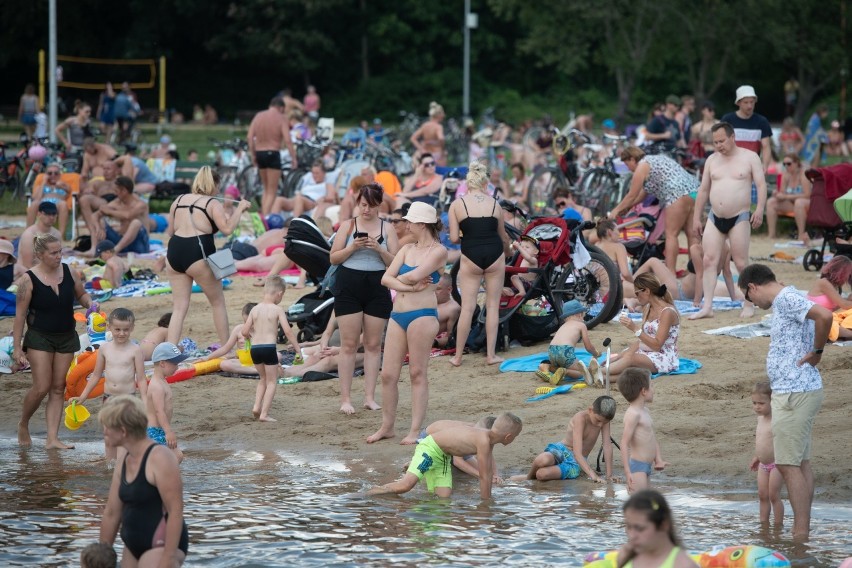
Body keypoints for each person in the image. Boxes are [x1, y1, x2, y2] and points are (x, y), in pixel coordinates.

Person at [737, 263, 832, 540]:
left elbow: (825, 315)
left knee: (788, 464)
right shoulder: (788, 297)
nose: (751, 302)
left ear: (752, 287)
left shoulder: (786, 298)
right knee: (800, 463)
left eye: (748, 297)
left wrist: (817, 352)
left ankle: (800, 535)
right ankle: (802, 531)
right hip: (795, 390)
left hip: (795, 391)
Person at [366, 202, 447, 445]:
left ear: (422, 224)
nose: (406, 224)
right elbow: (385, 279)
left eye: (410, 220)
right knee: (388, 374)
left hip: (422, 314)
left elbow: (411, 275)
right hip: (398, 315)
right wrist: (407, 285)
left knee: (416, 372)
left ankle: (414, 430)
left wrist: (402, 281)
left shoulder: (438, 251)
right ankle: (387, 426)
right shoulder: (406, 247)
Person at [13, 233, 97, 449]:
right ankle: (23, 423)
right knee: (42, 387)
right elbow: (20, 317)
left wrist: (91, 305)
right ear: (40, 254)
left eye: (60, 251)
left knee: (58, 387)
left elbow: (81, 295)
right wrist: (17, 349)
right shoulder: (27, 280)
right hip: (39, 336)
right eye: (54, 253)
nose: (59, 256)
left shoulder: (70, 271)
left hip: (66, 336)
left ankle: (52, 439)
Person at [328, 183, 399, 414]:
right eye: (363, 204)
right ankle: (345, 399)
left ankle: (369, 397)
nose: (366, 210)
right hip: (349, 284)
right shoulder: (348, 226)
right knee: (348, 344)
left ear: (379, 205)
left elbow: (395, 262)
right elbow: (333, 258)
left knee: (373, 344)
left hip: (377, 285)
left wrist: (379, 249)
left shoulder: (387, 229)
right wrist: (353, 248)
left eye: (370, 205)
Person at [165, 166, 251, 345]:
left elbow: (170, 231)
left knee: (179, 308)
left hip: (174, 252)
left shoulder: (178, 200)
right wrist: (240, 208)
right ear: (214, 184)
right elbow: (227, 230)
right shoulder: (212, 203)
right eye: (218, 186)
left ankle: (169, 350)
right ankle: (226, 347)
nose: (219, 191)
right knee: (217, 302)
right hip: (197, 252)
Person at [98, 395, 188, 566]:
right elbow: (111, 512)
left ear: (123, 431)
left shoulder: (161, 458)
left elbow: (175, 511)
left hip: (162, 544)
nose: (104, 431)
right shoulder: (123, 458)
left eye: (108, 426)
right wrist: (102, 553)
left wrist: (168, 559)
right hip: (132, 545)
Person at [690, 122, 767, 320]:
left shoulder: (750, 157)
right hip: (715, 216)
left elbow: (760, 185)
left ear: (732, 137)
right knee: (709, 260)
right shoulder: (711, 160)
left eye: (722, 141)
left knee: (741, 263)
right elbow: (703, 190)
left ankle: (748, 303)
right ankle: (707, 306)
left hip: (739, 216)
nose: (718, 145)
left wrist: (759, 209)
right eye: (715, 142)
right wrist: (696, 217)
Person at [368, 412, 522, 499]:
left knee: (443, 498)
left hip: (443, 456)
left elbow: (488, 470)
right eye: (515, 436)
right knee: (406, 486)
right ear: (508, 437)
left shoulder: (488, 440)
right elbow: (484, 476)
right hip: (430, 449)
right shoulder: (483, 440)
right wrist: (486, 505)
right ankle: (366, 494)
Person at [449, 161, 511, 367]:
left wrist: (465, 233)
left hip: (471, 253)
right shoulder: (495, 204)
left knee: (467, 307)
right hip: (494, 253)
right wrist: (509, 252)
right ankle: (491, 355)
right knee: (493, 306)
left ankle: (458, 357)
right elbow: (503, 238)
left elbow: (454, 239)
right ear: (485, 184)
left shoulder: (458, 204)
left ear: (467, 184)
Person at [70, 307, 147, 459]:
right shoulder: (104, 349)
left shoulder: (135, 350)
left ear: (132, 328)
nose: (122, 333)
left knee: (126, 436)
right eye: (117, 329)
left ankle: (125, 466)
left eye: (126, 329)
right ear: (109, 327)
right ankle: (110, 466)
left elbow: (142, 379)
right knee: (109, 436)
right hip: (108, 399)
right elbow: (96, 375)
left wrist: (145, 402)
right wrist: (83, 397)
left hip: (128, 399)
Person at [610, 146, 697, 272]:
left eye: (626, 164)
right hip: (694, 191)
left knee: (671, 235)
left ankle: (670, 274)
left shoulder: (642, 166)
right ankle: (693, 271)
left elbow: (631, 195)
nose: (628, 168)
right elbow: (642, 195)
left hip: (676, 194)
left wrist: (615, 210)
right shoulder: (654, 161)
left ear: (632, 159)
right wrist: (627, 207)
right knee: (691, 233)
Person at [512, 396, 616, 483]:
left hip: (576, 462)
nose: (600, 425)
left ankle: (540, 475)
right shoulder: (581, 418)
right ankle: (529, 477)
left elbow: (607, 446)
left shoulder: (604, 421)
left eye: (604, 422)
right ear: (590, 410)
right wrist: (593, 475)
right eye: (598, 420)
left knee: (541, 474)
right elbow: (577, 452)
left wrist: (609, 475)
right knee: (542, 460)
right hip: (562, 449)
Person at [242, 276, 302, 422]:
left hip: (255, 348)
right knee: (272, 381)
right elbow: (288, 331)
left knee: (262, 378)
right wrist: (298, 349)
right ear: (279, 294)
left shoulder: (254, 309)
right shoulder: (277, 309)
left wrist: (251, 337)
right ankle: (264, 414)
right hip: (269, 348)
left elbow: (244, 331)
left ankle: (256, 406)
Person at [610, 273, 681, 380]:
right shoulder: (648, 308)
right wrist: (620, 356)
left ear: (647, 291)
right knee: (626, 360)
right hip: (648, 351)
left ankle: (600, 372)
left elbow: (657, 345)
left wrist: (634, 328)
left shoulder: (667, 312)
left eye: (637, 293)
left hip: (664, 356)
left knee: (630, 359)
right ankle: (603, 377)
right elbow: (643, 341)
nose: (635, 296)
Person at [616, 489, 699, 568]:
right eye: (628, 527)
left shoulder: (683, 565)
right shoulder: (626, 556)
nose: (632, 536)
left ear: (664, 525)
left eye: (640, 528)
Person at [617, 367, 669, 493]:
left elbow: (651, 437)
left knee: (646, 503)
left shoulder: (645, 411)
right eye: (651, 386)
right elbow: (624, 443)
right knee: (639, 505)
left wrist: (658, 459)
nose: (653, 390)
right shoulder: (633, 414)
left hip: (646, 466)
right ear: (644, 391)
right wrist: (628, 471)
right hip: (637, 468)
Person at [247, 96, 298, 216]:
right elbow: (288, 139)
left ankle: (263, 216)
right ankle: (265, 218)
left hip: (260, 153)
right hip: (273, 153)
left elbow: (250, 137)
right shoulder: (281, 118)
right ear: (281, 108)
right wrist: (293, 158)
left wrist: (253, 155)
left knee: (266, 189)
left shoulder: (259, 116)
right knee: (272, 191)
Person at [535, 300, 598, 385]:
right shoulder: (581, 325)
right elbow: (588, 347)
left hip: (551, 351)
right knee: (583, 372)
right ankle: (565, 371)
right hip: (565, 351)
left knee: (557, 366)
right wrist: (596, 353)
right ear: (579, 314)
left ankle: (547, 367)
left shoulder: (563, 326)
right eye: (583, 315)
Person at [87, 176, 150, 256]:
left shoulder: (140, 204)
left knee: (136, 223)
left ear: (124, 191)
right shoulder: (116, 202)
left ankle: (114, 251)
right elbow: (95, 215)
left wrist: (109, 211)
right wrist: (98, 227)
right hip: (122, 241)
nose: (115, 193)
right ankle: (94, 248)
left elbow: (128, 215)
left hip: (139, 244)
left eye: (116, 191)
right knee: (101, 222)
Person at [750, 381, 784, 527]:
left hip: (777, 463)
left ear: (772, 402)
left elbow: (780, 442)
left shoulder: (777, 420)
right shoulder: (760, 419)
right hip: (763, 464)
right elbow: (762, 440)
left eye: (761, 403)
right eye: (754, 403)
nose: (757, 406)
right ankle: (763, 525)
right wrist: (757, 457)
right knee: (762, 495)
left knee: (773, 495)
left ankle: (778, 526)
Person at [147, 342, 187, 462]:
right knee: (173, 458)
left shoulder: (162, 381)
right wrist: (168, 432)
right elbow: (159, 411)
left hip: (160, 430)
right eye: (174, 364)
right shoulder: (157, 386)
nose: (177, 367)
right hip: (155, 432)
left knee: (176, 457)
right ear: (162, 363)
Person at [720, 85, 773, 172]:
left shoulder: (762, 121)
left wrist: (765, 166)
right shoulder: (727, 120)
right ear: (738, 103)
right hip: (730, 166)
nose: (749, 106)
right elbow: (720, 143)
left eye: (752, 102)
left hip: (752, 166)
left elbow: (766, 146)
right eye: (746, 102)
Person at [766, 153, 812, 244]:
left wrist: (786, 196)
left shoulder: (804, 174)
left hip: (806, 204)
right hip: (792, 204)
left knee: (799, 203)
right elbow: (783, 192)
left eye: (789, 164)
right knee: (771, 202)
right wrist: (778, 194)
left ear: (796, 163)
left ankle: (801, 235)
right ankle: (771, 234)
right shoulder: (786, 175)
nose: (786, 166)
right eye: (784, 164)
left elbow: (807, 195)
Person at [805, 255, 852, 342]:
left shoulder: (834, 285)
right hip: (815, 320)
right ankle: (847, 334)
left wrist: (848, 301)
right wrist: (847, 302)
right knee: (830, 324)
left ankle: (845, 332)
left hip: (827, 317)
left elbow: (835, 307)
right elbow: (844, 305)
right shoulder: (823, 283)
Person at [27, 164, 71, 239]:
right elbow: (36, 199)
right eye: (50, 173)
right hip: (43, 205)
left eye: (56, 173)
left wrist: (61, 186)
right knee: (34, 203)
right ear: (46, 175)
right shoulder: (40, 186)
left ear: (59, 175)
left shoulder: (64, 185)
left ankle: (60, 236)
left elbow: (68, 193)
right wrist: (43, 182)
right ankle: (28, 234)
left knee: (63, 204)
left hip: (57, 206)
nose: (53, 175)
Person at [18, 201, 62, 269]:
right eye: (47, 214)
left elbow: (58, 260)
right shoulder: (29, 235)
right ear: (39, 214)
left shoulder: (57, 234)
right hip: (29, 272)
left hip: (49, 271)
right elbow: (27, 264)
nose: (51, 217)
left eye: (54, 214)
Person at [594, 219, 633, 286]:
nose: (619, 233)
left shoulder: (596, 245)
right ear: (610, 232)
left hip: (597, 287)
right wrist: (635, 284)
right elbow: (625, 273)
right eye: (617, 230)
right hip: (613, 287)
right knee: (652, 261)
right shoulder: (618, 247)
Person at [434, 274, 460, 348]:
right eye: (433, 288)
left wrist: (434, 342)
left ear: (449, 290)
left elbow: (451, 338)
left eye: (438, 289)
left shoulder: (453, 308)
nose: (434, 292)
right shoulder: (426, 301)